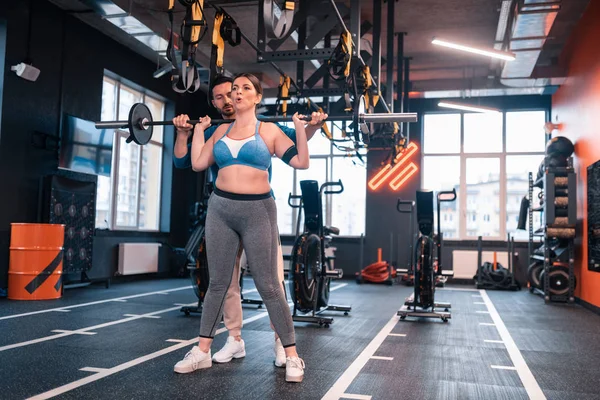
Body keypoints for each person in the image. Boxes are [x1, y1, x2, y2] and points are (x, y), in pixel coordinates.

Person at [173, 73, 321, 383]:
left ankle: (291, 354)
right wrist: (195, 131)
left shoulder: (268, 130)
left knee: (269, 285)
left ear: (256, 98)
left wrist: (302, 129)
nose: (236, 94)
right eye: (234, 89)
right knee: (218, 284)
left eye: (245, 89)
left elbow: (302, 162)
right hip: (220, 209)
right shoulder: (219, 130)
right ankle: (202, 350)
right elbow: (197, 163)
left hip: (258, 211)